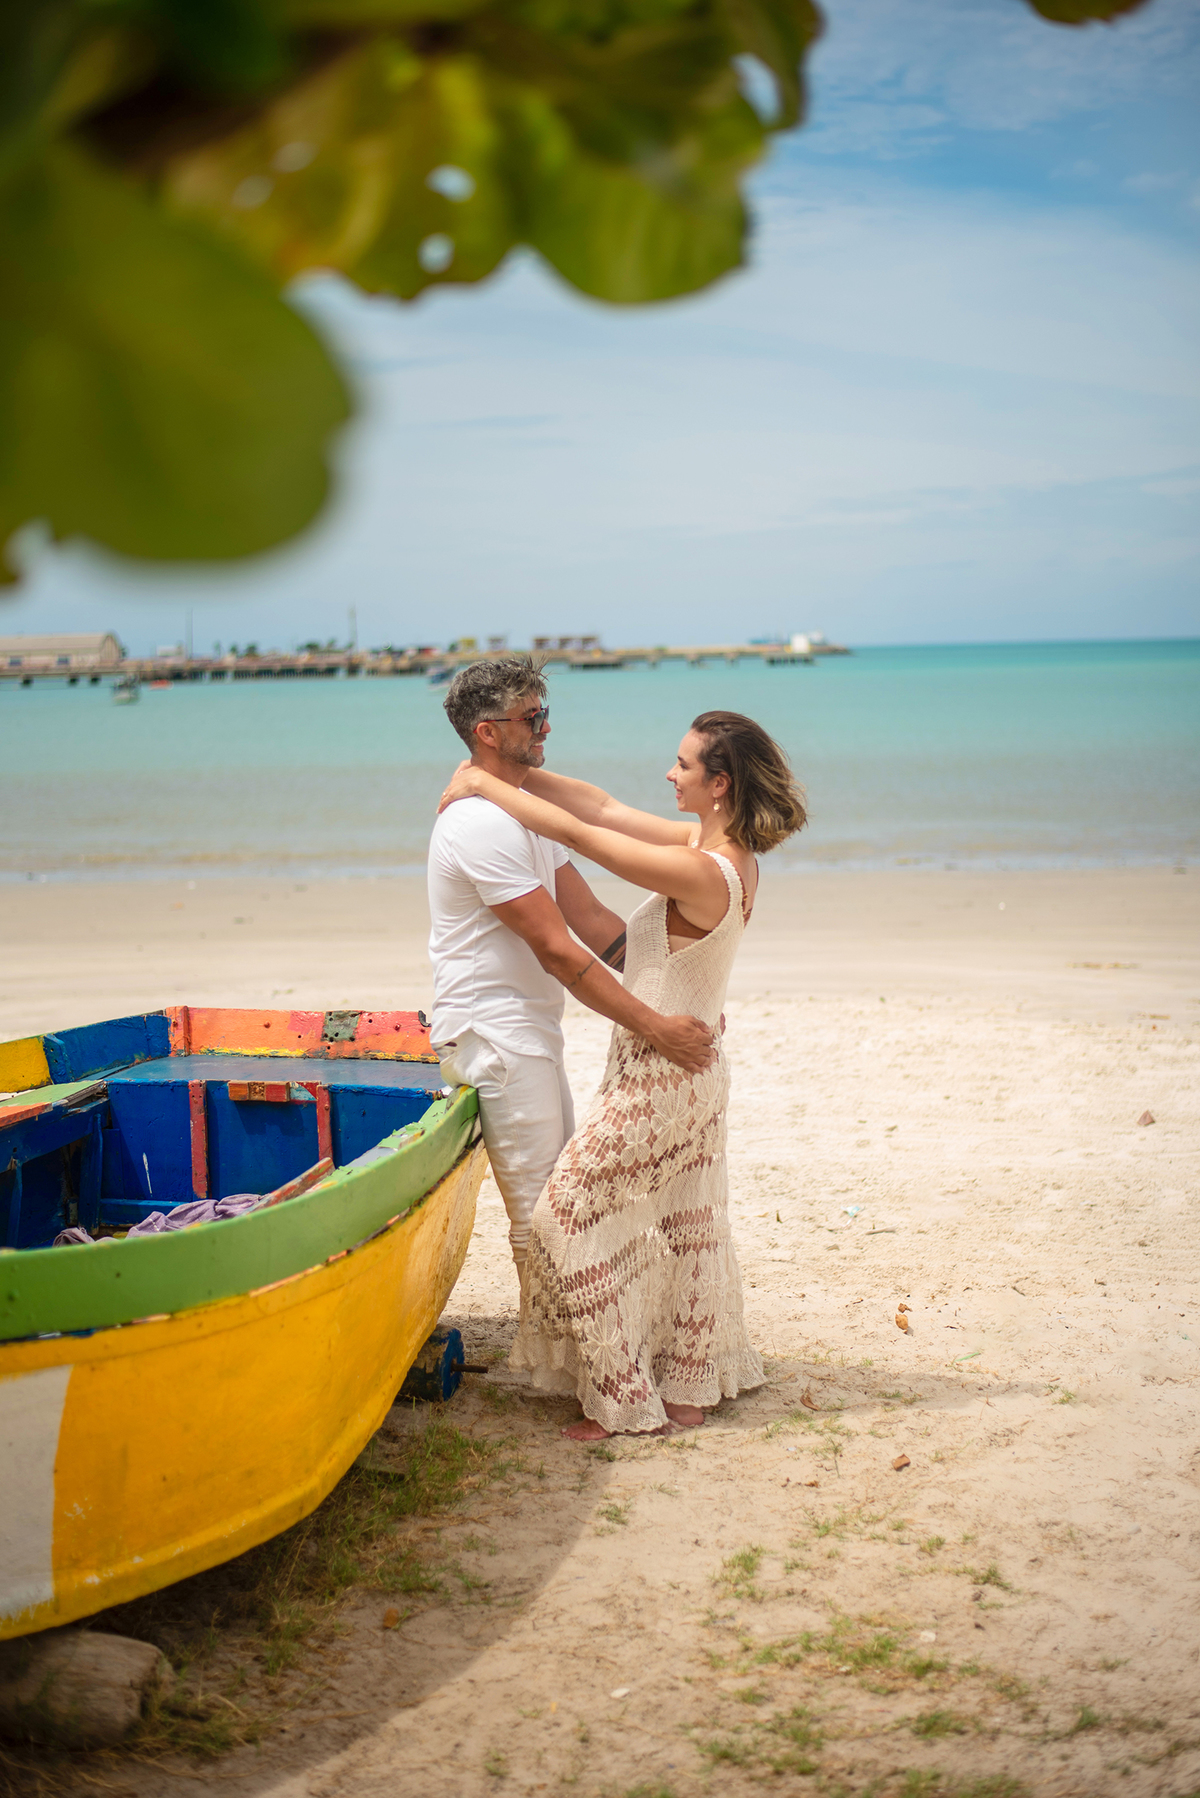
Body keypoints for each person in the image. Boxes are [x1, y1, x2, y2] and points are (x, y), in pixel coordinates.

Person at [437, 708, 806, 1439]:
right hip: (689, 1067)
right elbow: (600, 807)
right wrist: (513, 773)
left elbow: (584, 835)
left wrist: (483, 784)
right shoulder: (717, 850)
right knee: (688, 1223)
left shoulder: (698, 867)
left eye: (683, 765)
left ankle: (624, 1396)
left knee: (564, 1213)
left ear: (720, 784)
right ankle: (689, 1387)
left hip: (662, 1073)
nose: (669, 774)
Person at [428, 656, 718, 1285]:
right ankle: (539, 1342)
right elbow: (557, 950)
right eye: (532, 717)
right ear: (487, 732)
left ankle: (552, 1333)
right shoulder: (478, 824)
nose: (547, 728)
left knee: (559, 1202)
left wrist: (678, 988)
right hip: (493, 1032)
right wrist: (655, 1027)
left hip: (530, 1027)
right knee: (539, 1211)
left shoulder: (520, 809)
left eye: (545, 713)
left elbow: (589, 917)